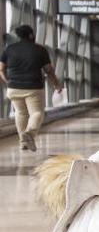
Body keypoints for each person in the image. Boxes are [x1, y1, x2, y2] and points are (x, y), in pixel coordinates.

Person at [0, 24, 62, 152]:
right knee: (37, 113)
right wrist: (56, 84)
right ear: (31, 35)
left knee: (20, 113)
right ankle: (29, 133)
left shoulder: (9, 49)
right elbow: (49, 70)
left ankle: (23, 143)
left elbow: (1, 69)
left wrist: (8, 82)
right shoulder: (39, 49)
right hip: (33, 87)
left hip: (13, 88)